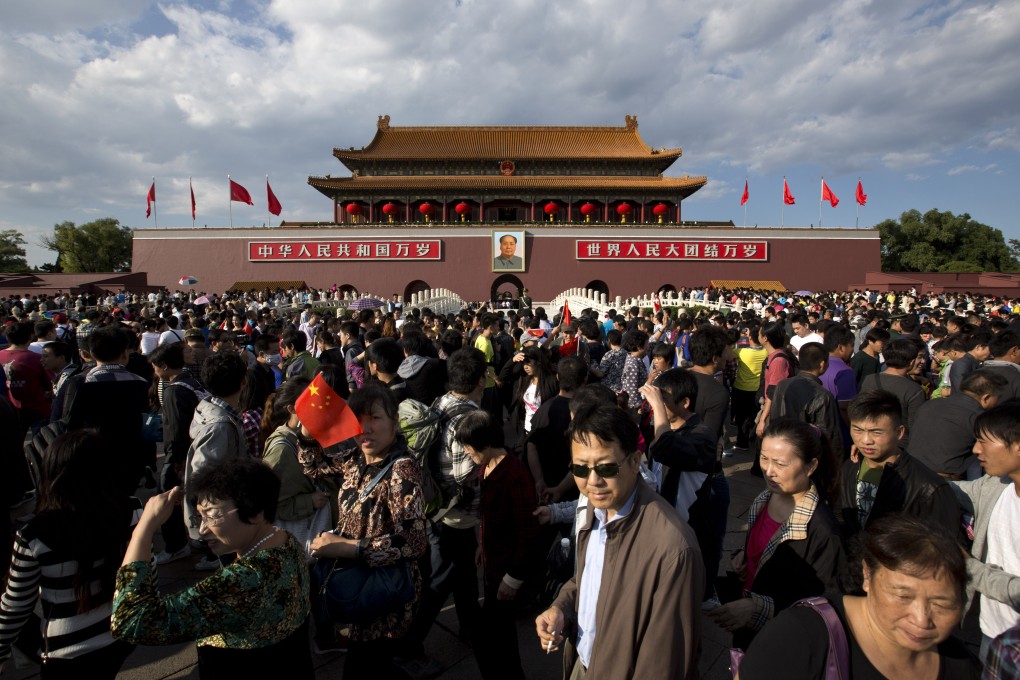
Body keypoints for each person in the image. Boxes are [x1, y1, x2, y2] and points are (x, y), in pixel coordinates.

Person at [535, 400, 703, 679]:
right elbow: (589, 578)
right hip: (584, 662)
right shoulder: (597, 506)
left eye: (606, 468)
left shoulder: (673, 549)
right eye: (580, 468)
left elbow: (664, 662)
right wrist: (561, 607)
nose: (592, 481)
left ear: (635, 461)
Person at [111, 457, 313, 678]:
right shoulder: (286, 542)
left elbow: (130, 620)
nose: (203, 529)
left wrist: (144, 527)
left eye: (213, 515)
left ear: (255, 511)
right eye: (200, 516)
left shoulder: (242, 582)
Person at [737, 515, 981, 679]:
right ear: (867, 575)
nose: (921, 619)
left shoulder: (962, 666)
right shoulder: (801, 635)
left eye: (941, 604)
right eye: (903, 596)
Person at [300, 384, 427, 677]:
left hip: (383, 591)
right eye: (359, 418)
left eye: (375, 418)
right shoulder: (356, 459)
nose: (366, 428)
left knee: (362, 666)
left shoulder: (402, 468)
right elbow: (314, 467)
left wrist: (350, 547)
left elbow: (414, 541)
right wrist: (307, 431)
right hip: (357, 582)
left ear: (394, 421)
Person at [0, 431, 139, 678]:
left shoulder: (34, 536)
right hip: (120, 636)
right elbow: (145, 580)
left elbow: (15, 607)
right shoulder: (132, 510)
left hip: (66, 651)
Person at [708, 418, 844, 649]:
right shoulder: (765, 499)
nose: (769, 471)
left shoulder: (823, 532)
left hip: (783, 641)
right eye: (763, 458)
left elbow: (825, 606)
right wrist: (745, 555)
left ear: (811, 466)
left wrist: (760, 608)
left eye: (780, 464)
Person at [454, 410, 539, 680]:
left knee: (491, 638)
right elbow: (487, 517)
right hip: (493, 568)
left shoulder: (514, 474)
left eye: (469, 445)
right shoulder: (486, 467)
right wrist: (482, 544)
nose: (466, 451)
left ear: (487, 442)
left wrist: (513, 578)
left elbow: (528, 532)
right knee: (499, 638)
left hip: (506, 572)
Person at [835, 389, 959, 540]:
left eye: (876, 432)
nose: (866, 440)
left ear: (899, 432)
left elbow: (942, 545)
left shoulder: (928, 487)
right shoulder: (849, 467)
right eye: (858, 430)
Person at [951, 402, 1020, 662]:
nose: (975, 450)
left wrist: (971, 569)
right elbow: (958, 490)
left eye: (984, 442)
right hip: (991, 631)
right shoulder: (997, 484)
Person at [908, 369, 1005, 480]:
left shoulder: (931, 404)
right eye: (998, 398)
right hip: (944, 481)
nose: (998, 403)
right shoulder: (978, 417)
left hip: (910, 472)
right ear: (986, 398)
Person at [770, 342, 845, 460]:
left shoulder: (783, 385)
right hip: (804, 456)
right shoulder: (823, 396)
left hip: (780, 447)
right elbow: (830, 435)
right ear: (822, 364)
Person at [859, 337, 928, 449]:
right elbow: (915, 426)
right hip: (899, 444)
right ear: (911, 362)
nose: (923, 361)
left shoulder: (869, 379)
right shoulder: (914, 390)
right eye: (919, 358)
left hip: (871, 440)